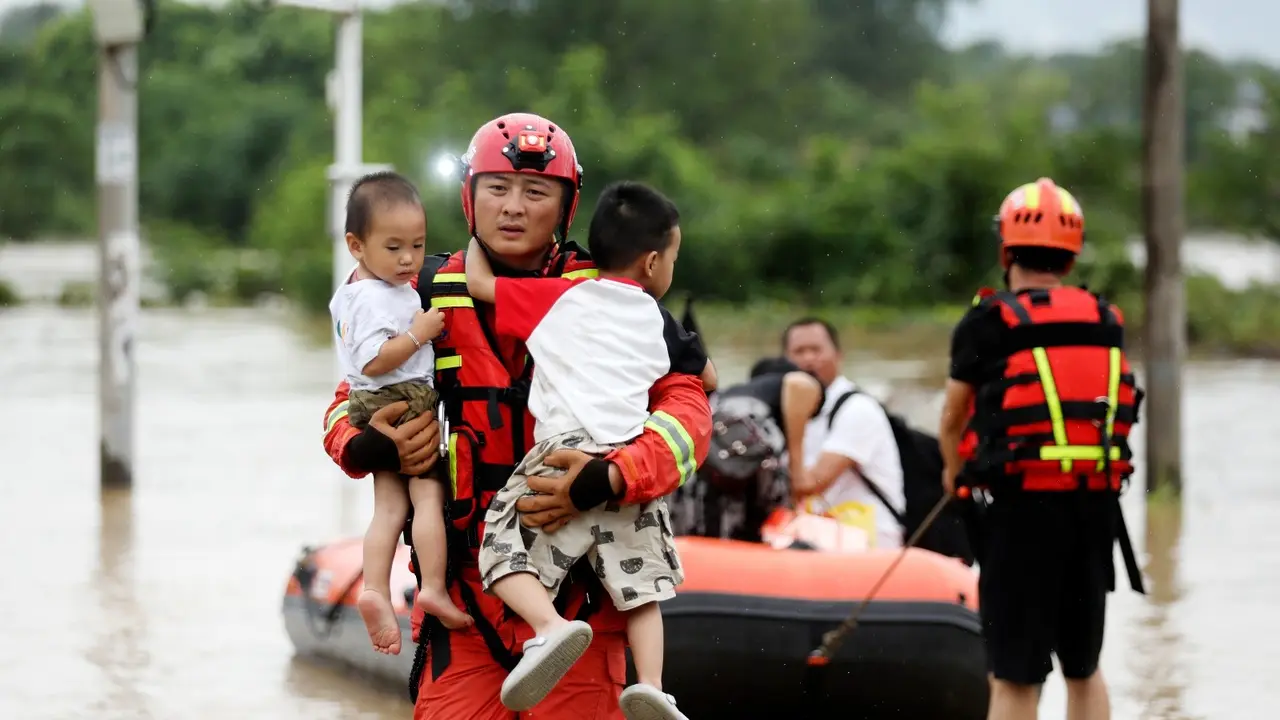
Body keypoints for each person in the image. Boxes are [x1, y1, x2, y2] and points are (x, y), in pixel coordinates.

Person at [320, 112, 713, 720]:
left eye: (535, 192)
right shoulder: (415, 292)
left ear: (565, 206)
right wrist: (366, 444)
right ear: (469, 198)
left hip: (583, 606)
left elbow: (687, 410)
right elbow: (347, 399)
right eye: (497, 189)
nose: (513, 207)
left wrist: (610, 476)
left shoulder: (609, 297)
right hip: (464, 604)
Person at [464, 180, 713, 717]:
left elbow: (480, 283)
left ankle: (550, 628)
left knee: (498, 548)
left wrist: (472, 239)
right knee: (644, 590)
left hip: (561, 451)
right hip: (626, 455)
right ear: (652, 263)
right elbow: (706, 377)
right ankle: (651, 685)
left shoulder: (559, 298)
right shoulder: (658, 320)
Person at [937, 177, 1144, 720]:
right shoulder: (1105, 319)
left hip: (1019, 515)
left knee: (1015, 677)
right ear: (1070, 259)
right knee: (1084, 667)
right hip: (1094, 510)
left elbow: (953, 418)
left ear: (1006, 249)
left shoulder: (986, 322)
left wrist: (955, 478)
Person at [328, 171, 475, 657]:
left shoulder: (357, 290)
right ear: (356, 245)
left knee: (389, 508)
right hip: (403, 397)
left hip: (373, 404)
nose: (409, 259)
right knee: (428, 498)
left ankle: (373, 588)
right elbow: (372, 360)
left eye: (417, 244)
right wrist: (421, 333)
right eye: (394, 248)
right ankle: (431, 586)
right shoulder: (374, 298)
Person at [668, 357, 823, 542]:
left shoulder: (729, 394)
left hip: (699, 455)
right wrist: (797, 474)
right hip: (739, 455)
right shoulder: (790, 382)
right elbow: (800, 384)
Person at [782, 319, 906, 549]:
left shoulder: (858, 409)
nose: (808, 359)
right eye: (799, 351)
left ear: (838, 355)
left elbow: (807, 485)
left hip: (870, 537)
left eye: (816, 350)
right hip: (821, 531)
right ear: (784, 361)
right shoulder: (781, 408)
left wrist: (794, 417)